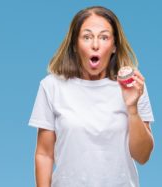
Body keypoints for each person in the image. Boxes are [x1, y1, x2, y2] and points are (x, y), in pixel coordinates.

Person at [28, 6, 154, 187]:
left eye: (104, 37)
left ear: (114, 46)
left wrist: (132, 109)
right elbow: (44, 154)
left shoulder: (133, 87)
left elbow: (142, 156)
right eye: (87, 37)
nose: (95, 45)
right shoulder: (51, 86)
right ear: (75, 45)